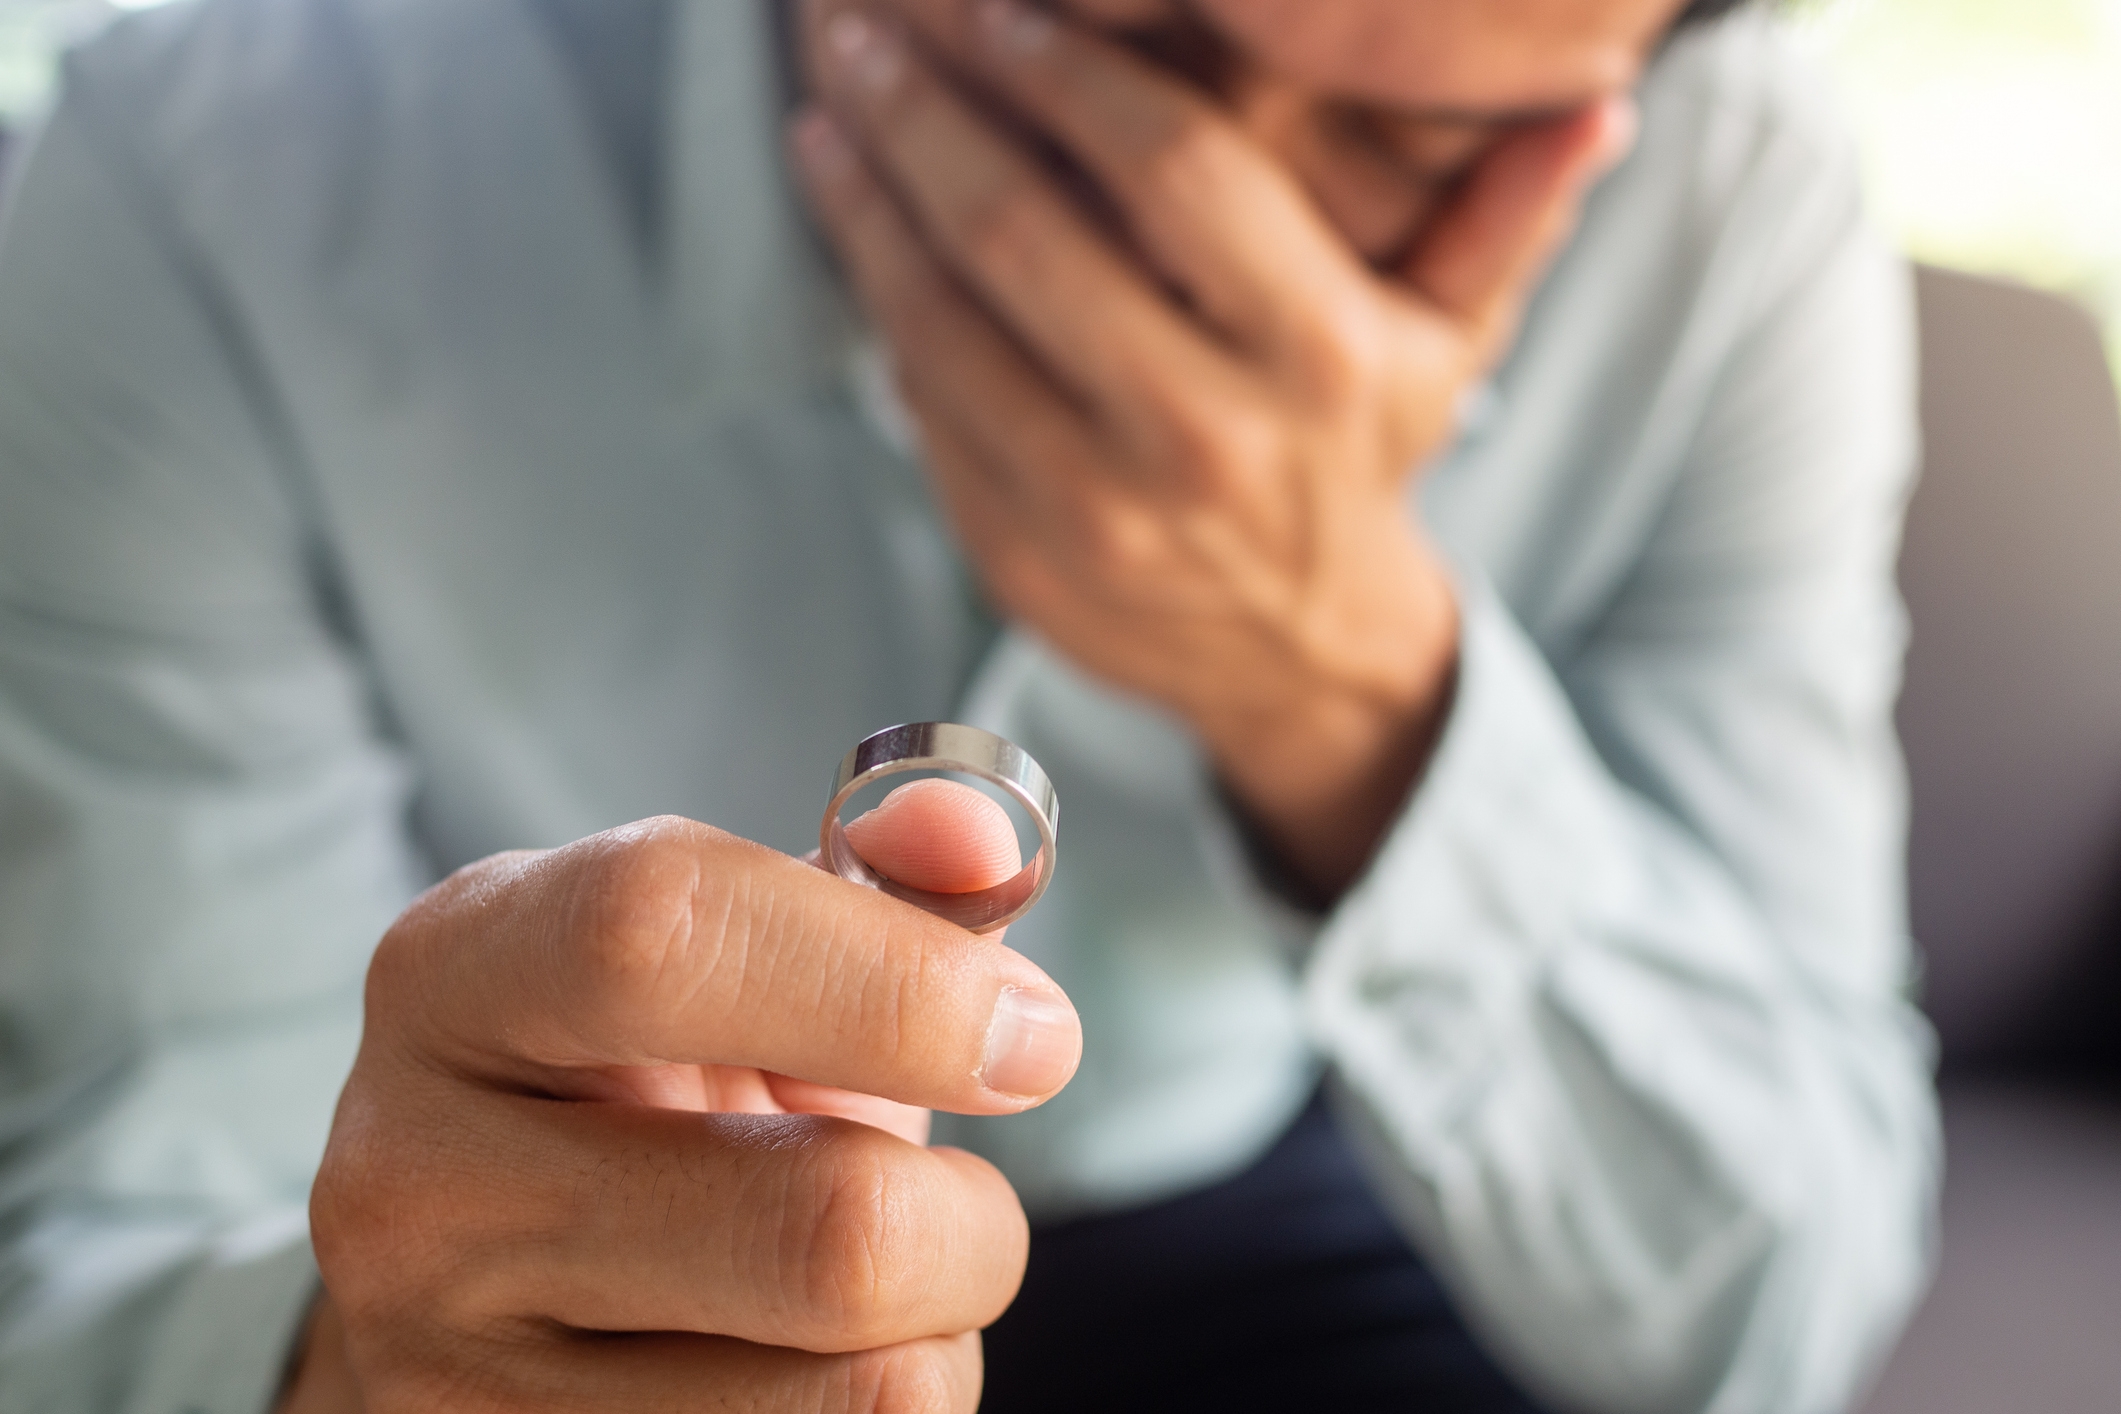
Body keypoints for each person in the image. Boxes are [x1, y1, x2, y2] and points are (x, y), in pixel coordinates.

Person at [0, 0, 1939, 1409]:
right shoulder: (203, 172)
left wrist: (1340, 671)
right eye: (1101, 38)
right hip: (541, 1259)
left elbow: (1779, 1294)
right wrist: (368, 1363)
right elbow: (120, 1241)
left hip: (1319, 1185)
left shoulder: (1726, 204)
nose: (1196, 234)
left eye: (1401, 149)